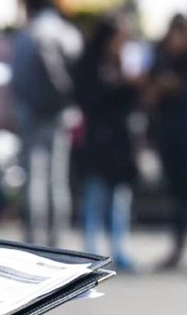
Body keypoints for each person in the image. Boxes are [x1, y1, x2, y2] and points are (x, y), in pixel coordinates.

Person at [12, 0, 82, 246]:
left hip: (31, 113)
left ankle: (33, 237)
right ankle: (57, 237)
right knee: (58, 178)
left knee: (34, 178)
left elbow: (17, 79)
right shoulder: (68, 32)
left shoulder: (27, 35)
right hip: (62, 112)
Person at [74, 17, 139, 272]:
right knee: (96, 196)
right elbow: (89, 98)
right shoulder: (90, 65)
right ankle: (92, 251)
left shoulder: (122, 62)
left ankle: (119, 249)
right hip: (99, 139)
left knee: (119, 200)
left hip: (120, 141)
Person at [145, 15, 187, 270]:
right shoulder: (161, 57)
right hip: (167, 134)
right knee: (176, 194)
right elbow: (149, 91)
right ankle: (178, 245)